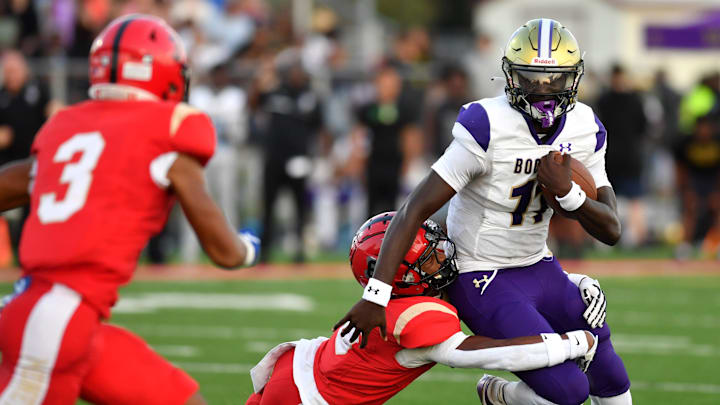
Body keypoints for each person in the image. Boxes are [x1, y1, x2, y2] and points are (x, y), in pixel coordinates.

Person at [335, 19, 632, 405]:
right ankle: (502, 396)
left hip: (539, 265)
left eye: (554, 80)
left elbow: (611, 229)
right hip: (482, 275)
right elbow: (414, 209)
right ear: (510, 77)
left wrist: (568, 194)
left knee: (612, 380)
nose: (542, 91)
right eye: (530, 79)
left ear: (573, 79)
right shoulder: (487, 124)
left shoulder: (585, 126)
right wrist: (376, 295)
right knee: (568, 392)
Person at [0, 15, 260, 405]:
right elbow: (223, 252)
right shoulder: (168, 131)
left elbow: (9, 183)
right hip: (55, 322)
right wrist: (247, 248)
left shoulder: (67, 126)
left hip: (62, 317)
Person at [247, 212, 599, 405]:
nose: (442, 254)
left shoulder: (391, 302)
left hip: (298, 370)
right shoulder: (417, 314)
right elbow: (486, 355)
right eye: (430, 257)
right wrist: (569, 344)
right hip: (309, 397)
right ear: (402, 276)